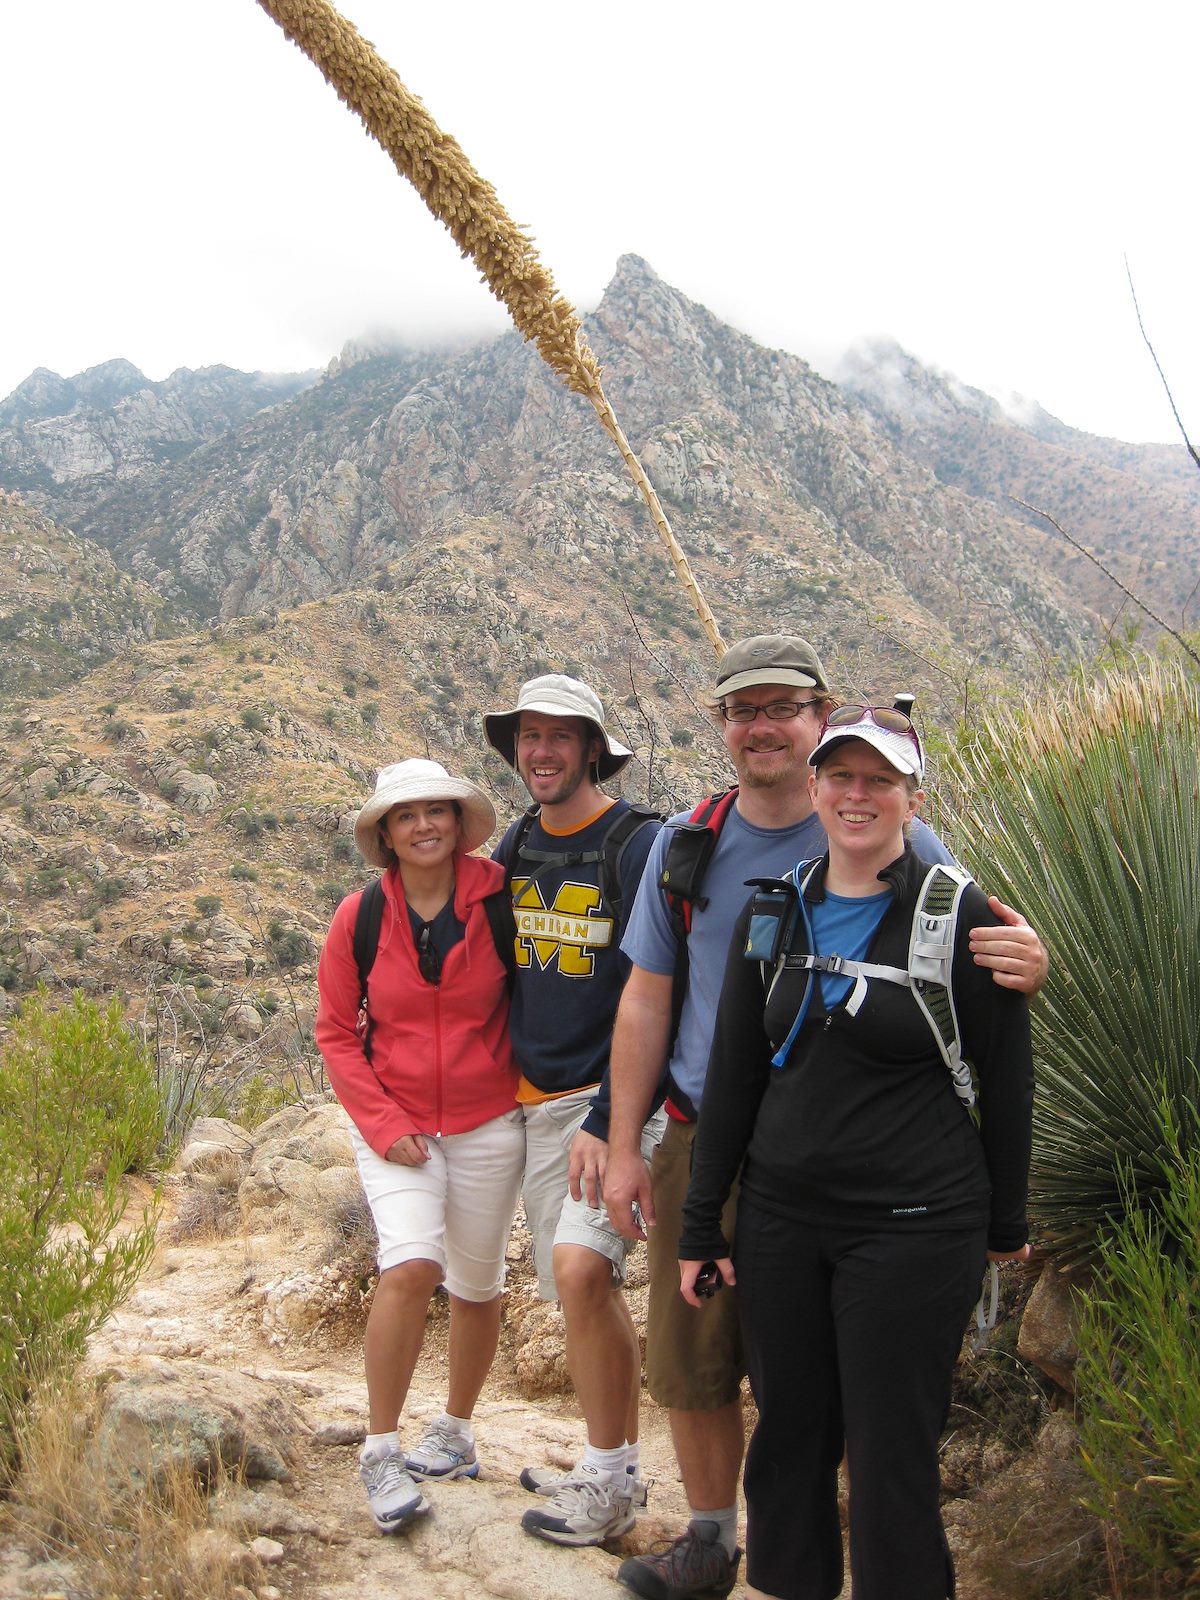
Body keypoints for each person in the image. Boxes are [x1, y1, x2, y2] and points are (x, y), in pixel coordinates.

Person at [604, 634, 1047, 1600]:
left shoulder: (946, 900)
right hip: (773, 1205)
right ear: (815, 784)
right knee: (788, 1430)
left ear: (912, 799)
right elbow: (724, 1062)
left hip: (912, 1222)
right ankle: (752, 1567)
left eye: (878, 780)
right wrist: (682, 1199)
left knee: (889, 1454)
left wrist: (1006, 1224)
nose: (856, 795)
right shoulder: (762, 895)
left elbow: (1006, 1057)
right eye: (839, 776)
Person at [315, 758, 525, 1535]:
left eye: (437, 811)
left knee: (477, 1282)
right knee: (409, 1266)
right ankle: (380, 1447)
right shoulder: (358, 918)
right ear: (385, 835)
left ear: (457, 822)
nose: (425, 825)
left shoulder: (502, 899)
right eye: (406, 816)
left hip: (490, 1122)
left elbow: (547, 994)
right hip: (394, 1126)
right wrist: (383, 1122)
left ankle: (459, 1431)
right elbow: (337, 1032)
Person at [483, 674, 665, 1548]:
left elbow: (658, 985)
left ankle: (609, 1481)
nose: (543, 752)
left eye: (561, 736)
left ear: (595, 747)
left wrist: (614, 1121)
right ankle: (610, 1468)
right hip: (534, 1102)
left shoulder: (638, 844)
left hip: (613, 1101)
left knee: (583, 1274)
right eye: (529, 736)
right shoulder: (518, 844)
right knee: (574, 1287)